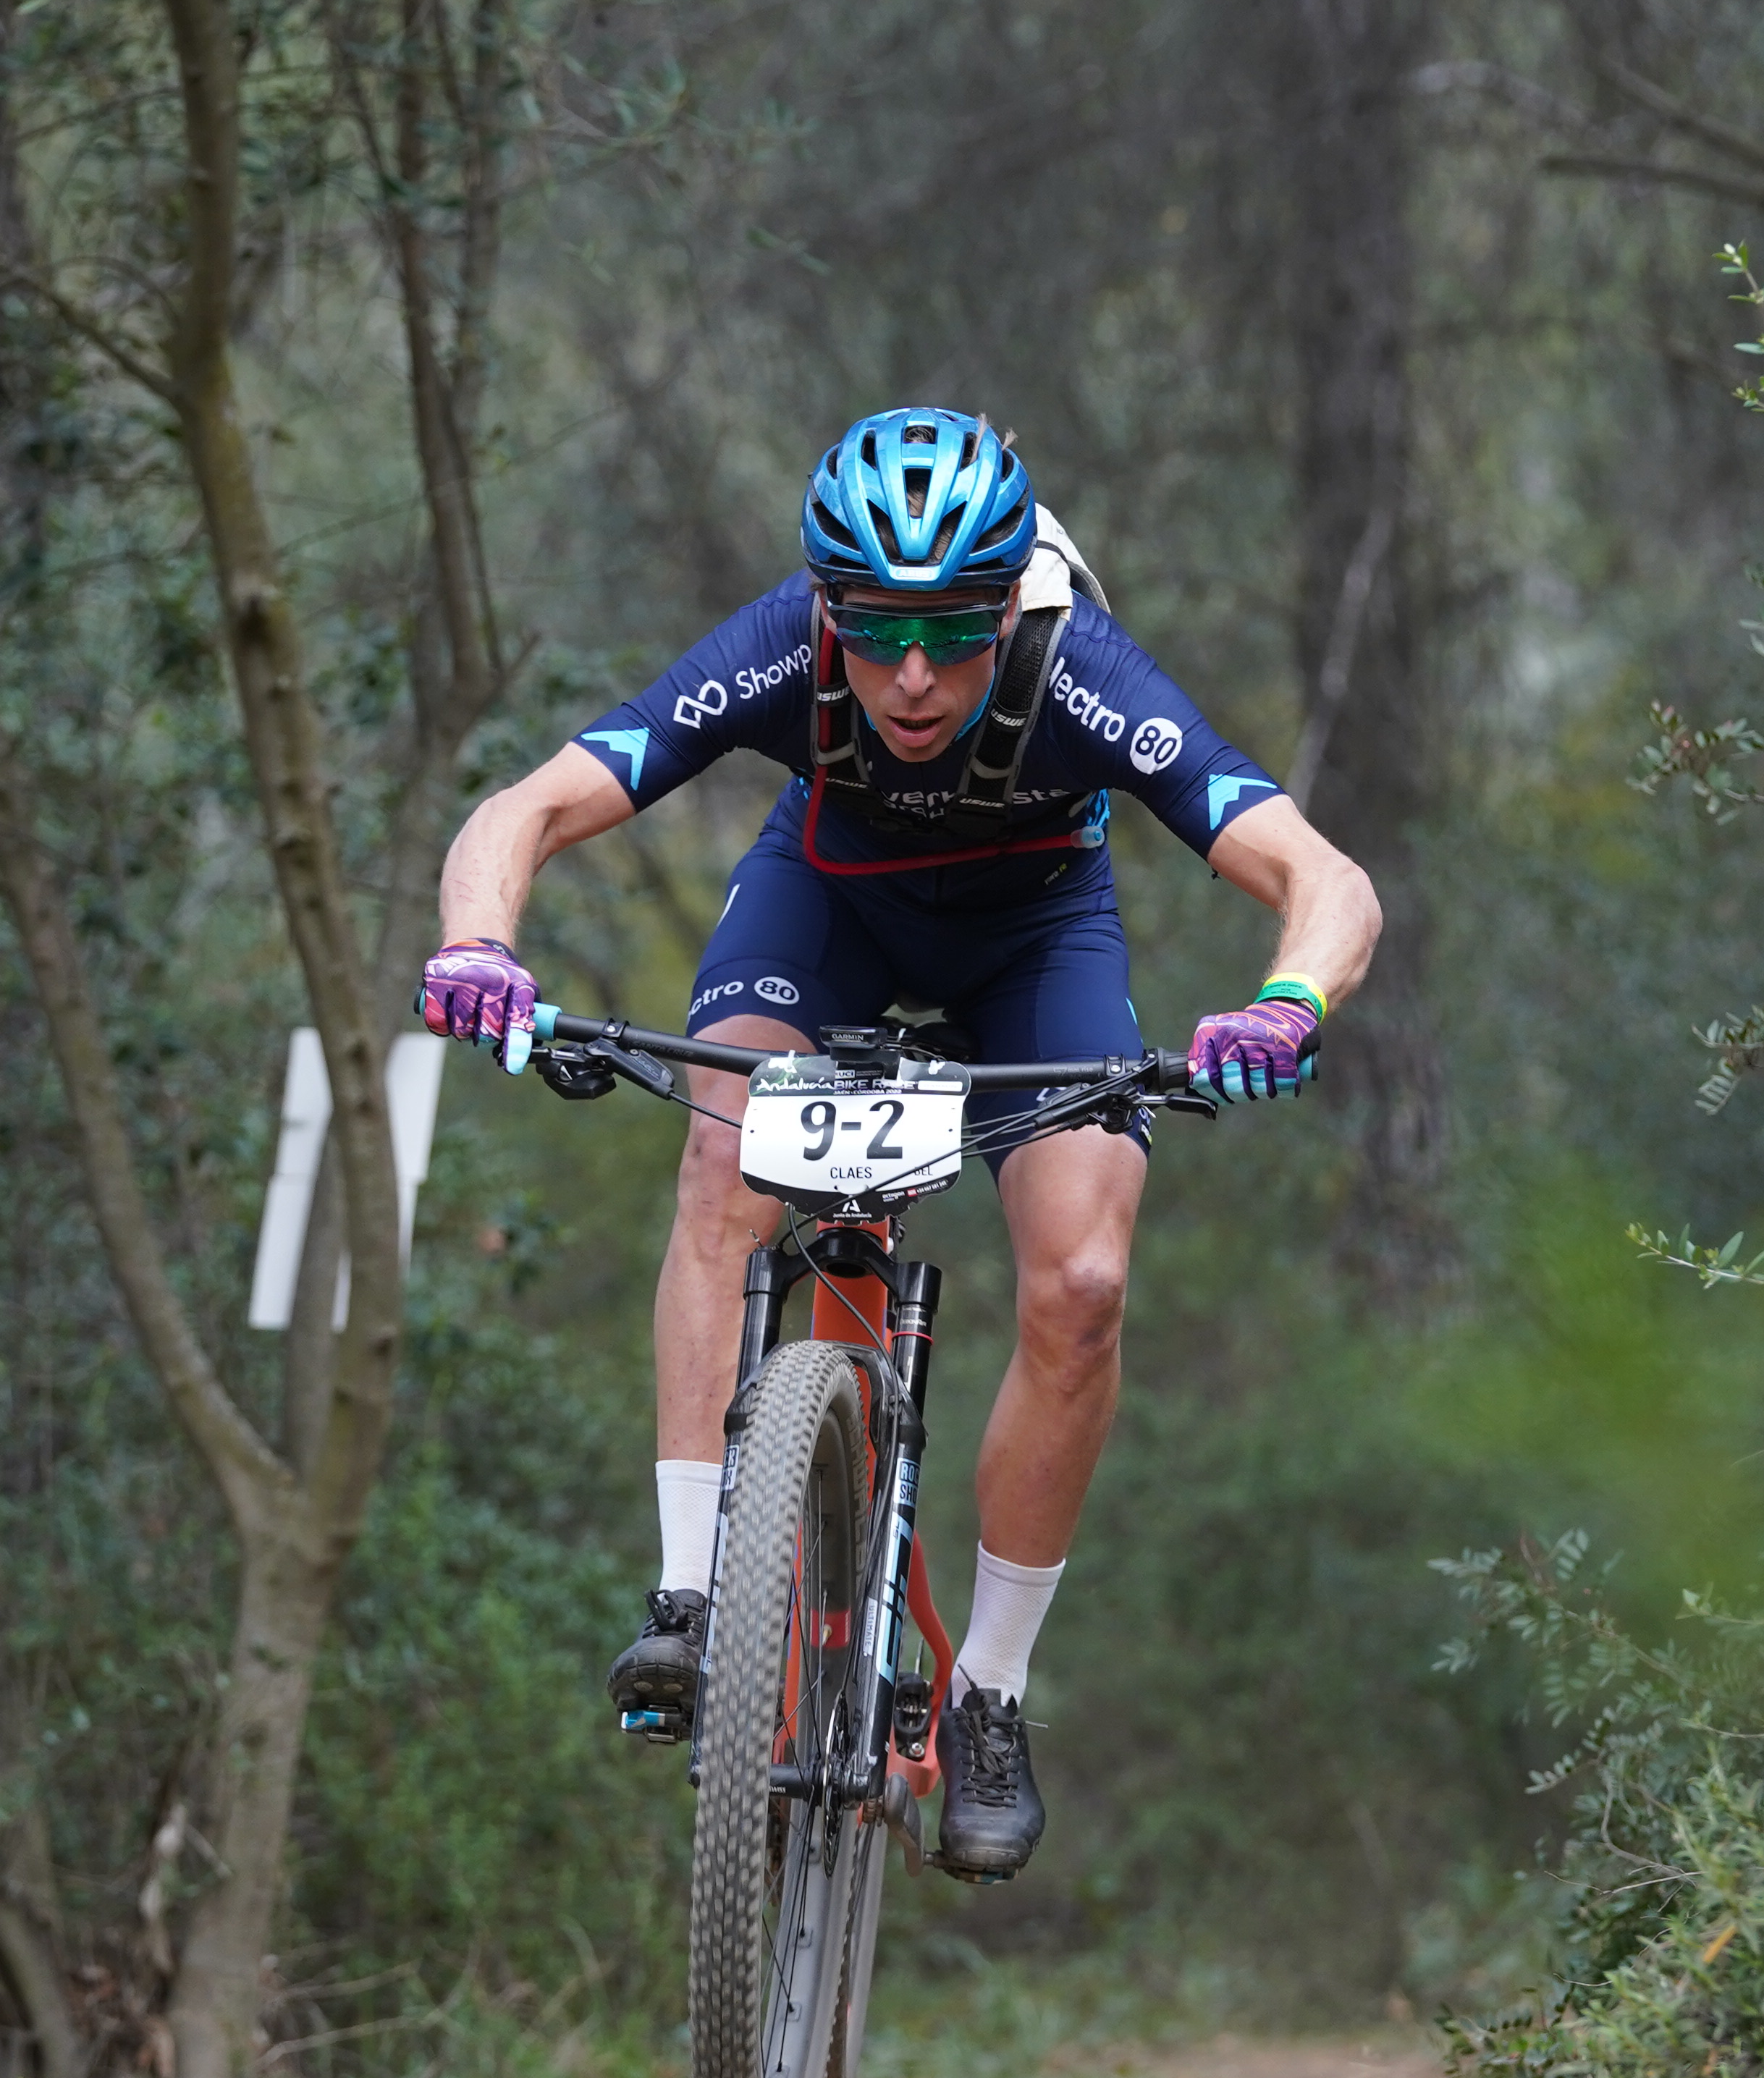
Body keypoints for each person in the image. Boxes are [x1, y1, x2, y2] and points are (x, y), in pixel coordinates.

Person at [421, 407, 1380, 1879]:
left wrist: (1288, 999)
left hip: (1034, 942)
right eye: (876, 632)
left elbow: (1322, 877)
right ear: (826, 609)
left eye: (952, 630)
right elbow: (530, 805)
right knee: (723, 1161)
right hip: (829, 913)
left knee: (1084, 1282)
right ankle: (691, 1598)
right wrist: (479, 946)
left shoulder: (1082, 674)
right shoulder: (778, 650)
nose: (913, 674)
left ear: (1009, 607)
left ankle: (989, 1686)